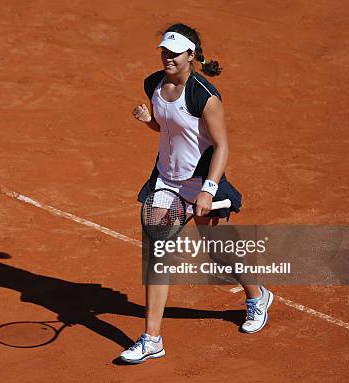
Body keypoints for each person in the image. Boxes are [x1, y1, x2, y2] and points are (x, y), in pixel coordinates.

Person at [120, 23, 274, 364]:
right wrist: (148, 121)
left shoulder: (205, 95)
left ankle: (257, 295)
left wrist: (208, 189)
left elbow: (221, 145)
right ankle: (152, 339)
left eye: (175, 53)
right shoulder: (153, 84)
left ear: (191, 55)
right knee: (157, 254)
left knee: (217, 248)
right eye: (164, 51)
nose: (168, 58)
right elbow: (169, 126)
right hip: (165, 179)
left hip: (199, 180)